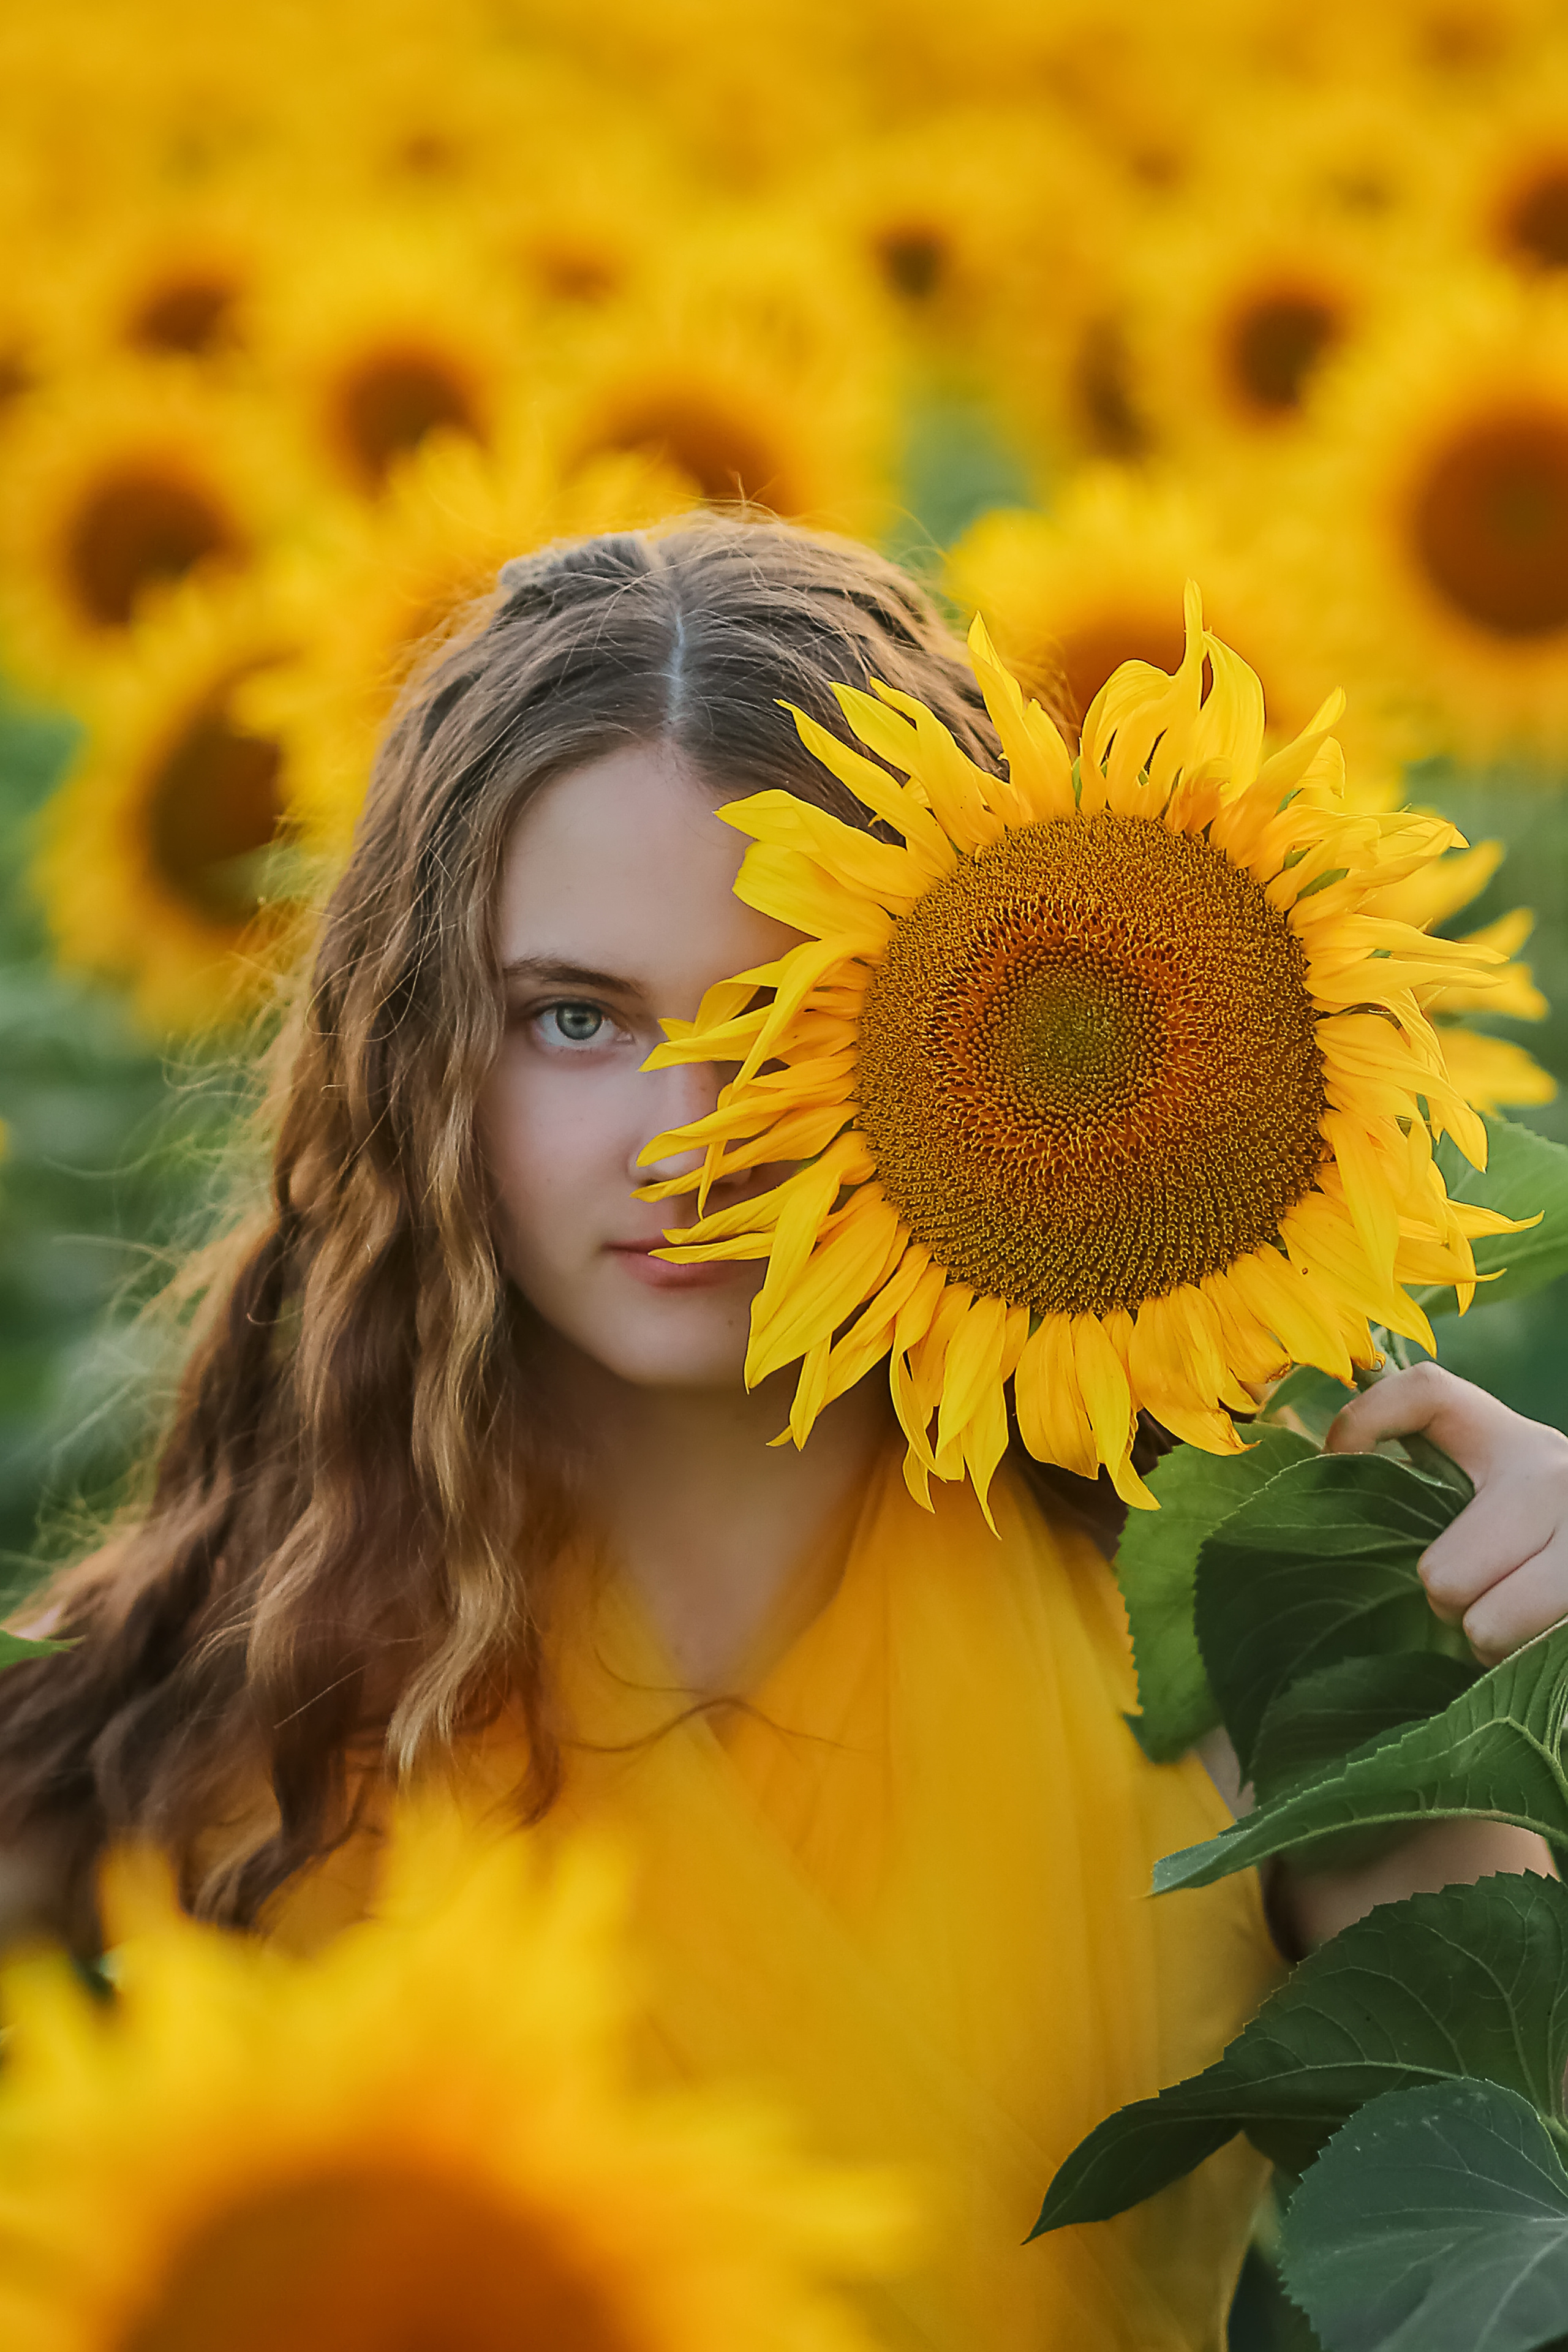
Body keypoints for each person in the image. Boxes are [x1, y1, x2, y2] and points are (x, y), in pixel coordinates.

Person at [0, 514, 1562, 2348]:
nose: (688, 1136)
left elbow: (1498, 2221)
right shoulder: (193, 1693)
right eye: (573, 1019)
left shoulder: (1236, 1633)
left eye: (777, 1018)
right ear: (418, 1045)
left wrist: (1524, 1681)